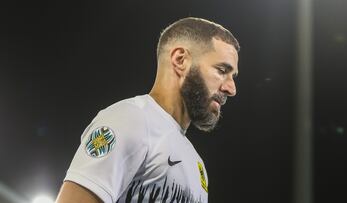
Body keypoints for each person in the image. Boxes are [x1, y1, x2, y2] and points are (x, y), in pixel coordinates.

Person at [56, 17, 240, 203]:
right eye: (222, 70)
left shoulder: (197, 164)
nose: (231, 89)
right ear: (180, 60)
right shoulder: (129, 119)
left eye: (233, 76)